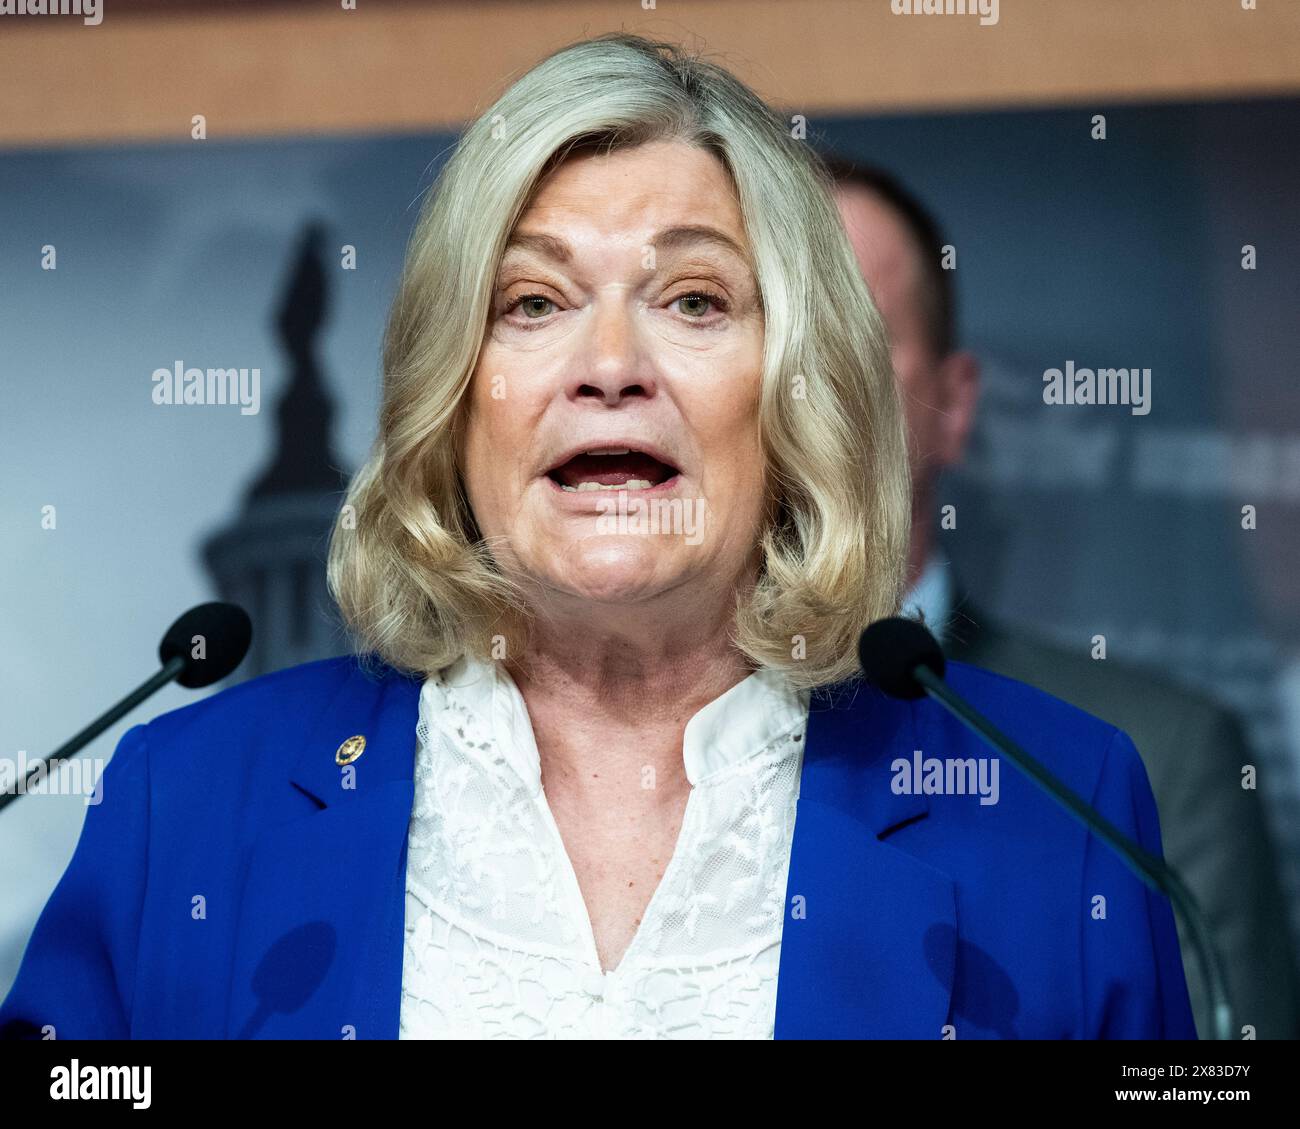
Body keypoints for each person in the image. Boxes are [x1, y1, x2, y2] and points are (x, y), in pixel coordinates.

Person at [0, 33, 1193, 1040]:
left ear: (796, 390)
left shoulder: (1053, 815)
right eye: (532, 302)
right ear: (452, 396)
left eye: (692, 301)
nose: (611, 367)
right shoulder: (188, 803)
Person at [826, 155, 1300, 1040]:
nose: (809, 385)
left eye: (856, 338)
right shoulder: (620, 748)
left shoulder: (1149, 760)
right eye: (770, 335)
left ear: (955, 404)